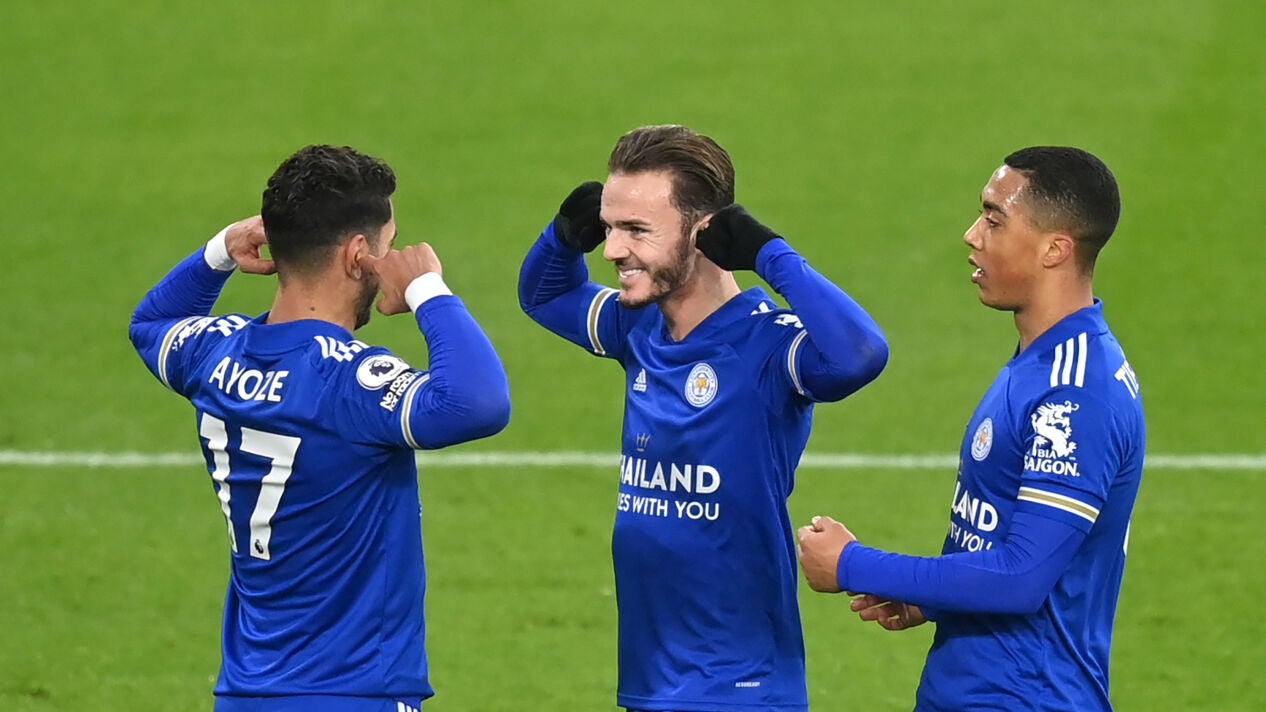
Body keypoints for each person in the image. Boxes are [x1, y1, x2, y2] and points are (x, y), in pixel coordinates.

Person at [518, 124, 889, 712]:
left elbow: (860, 354)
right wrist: (561, 238)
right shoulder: (638, 327)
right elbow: (544, 295)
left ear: (704, 233)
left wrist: (770, 253)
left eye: (637, 230)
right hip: (651, 680)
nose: (612, 251)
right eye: (609, 228)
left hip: (737, 688)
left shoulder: (768, 345)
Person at [129, 144, 511, 712]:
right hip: (351, 692)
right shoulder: (348, 380)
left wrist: (220, 252)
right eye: (388, 245)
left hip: (246, 694)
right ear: (358, 254)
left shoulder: (212, 355)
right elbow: (479, 402)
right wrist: (428, 290)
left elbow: (153, 321)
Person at [798, 146, 1145, 711]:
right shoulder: (1042, 360)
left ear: (1055, 249)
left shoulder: (1076, 393)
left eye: (994, 219)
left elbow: (1021, 577)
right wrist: (927, 598)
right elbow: (1000, 535)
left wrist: (851, 564)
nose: (972, 235)